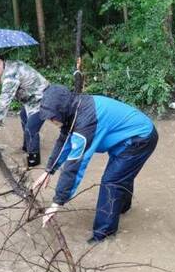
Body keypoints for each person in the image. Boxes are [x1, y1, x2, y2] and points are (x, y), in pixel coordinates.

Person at [32, 84, 158, 243]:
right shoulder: (73, 110)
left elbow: (74, 167)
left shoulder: (85, 123)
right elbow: (64, 142)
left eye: (51, 117)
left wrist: (57, 202)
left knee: (111, 181)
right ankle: (121, 209)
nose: (50, 121)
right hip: (129, 136)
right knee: (119, 176)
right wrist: (48, 171)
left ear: (61, 110)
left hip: (140, 138)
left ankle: (103, 236)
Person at [0, 51, 49, 167]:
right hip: (31, 100)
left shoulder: (10, 75)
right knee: (23, 116)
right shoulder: (8, 66)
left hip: (43, 98)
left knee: (31, 128)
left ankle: (33, 160)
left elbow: (4, 101)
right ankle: (27, 147)